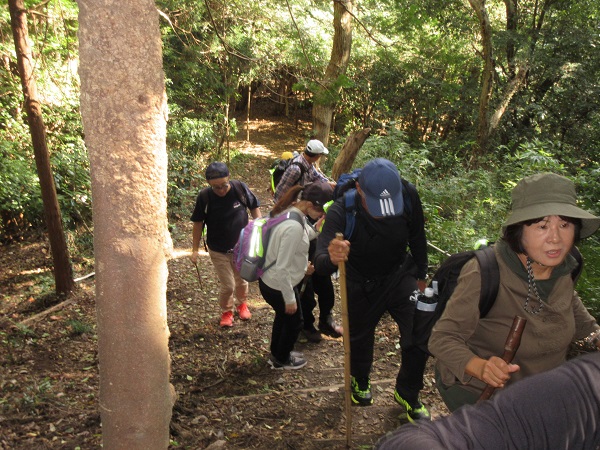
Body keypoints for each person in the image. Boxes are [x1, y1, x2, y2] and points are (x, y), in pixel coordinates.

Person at [429, 172, 600, 412]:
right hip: (485, 398)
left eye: (565, 224)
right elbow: (442, 338)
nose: (555, 238)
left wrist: (595, 334)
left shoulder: (567, 265)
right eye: (542, 226)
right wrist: (480, 366)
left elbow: (569, 305)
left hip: (545, 392)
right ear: (519, 230)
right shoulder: (485, 272)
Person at [314, 158, 431, 422]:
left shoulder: (409, 195)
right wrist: (331, 257)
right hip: (360, 283)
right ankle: (361, 380)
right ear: (359, 189)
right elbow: (319, 261)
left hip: (399, 275)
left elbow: (417, 237)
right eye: (378, 204)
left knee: (421, 329)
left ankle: (408, 393)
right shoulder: (343, 210)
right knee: (360, 338)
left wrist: (421, 276)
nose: (386, 212)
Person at [375, 351, 600, 450]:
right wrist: (478, 365)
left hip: (526, 388)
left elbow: (583, 325)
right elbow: (441, 337)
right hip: (474, 387)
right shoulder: (586, 388)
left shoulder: (565, 276)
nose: (556, 249)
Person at [259, 181, 334, 369]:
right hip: (279, 285)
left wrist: (316, 228)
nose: (322, 215)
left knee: (283, 318)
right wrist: (290, 298)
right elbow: (283, 267)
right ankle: (281, 359)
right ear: (310, 205)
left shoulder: (293, 212)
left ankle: (276, 353)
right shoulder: (294, 225)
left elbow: (303, 236)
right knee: (295, 322)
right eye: (321, 212)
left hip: (273, 281)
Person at [190, 162, 261, 327]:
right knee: (228, 285)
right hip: (218, 249)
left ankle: (242, 304)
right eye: (216, 187)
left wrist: (259, 229)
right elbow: (198, 223)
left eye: (224, 185)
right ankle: (227, 311)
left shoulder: (239, 189)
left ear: (229, 178)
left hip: (241, 246)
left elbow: (254, 206)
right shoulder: (205, 197)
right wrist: (195, 250)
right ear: (208, 184)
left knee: (242, 279)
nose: (221, 190)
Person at [298, 238, 343, 343]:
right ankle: (306, 325)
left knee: (326, 289)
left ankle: (325, 320)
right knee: (306, 296)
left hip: (318, 252)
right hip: (301, 255)